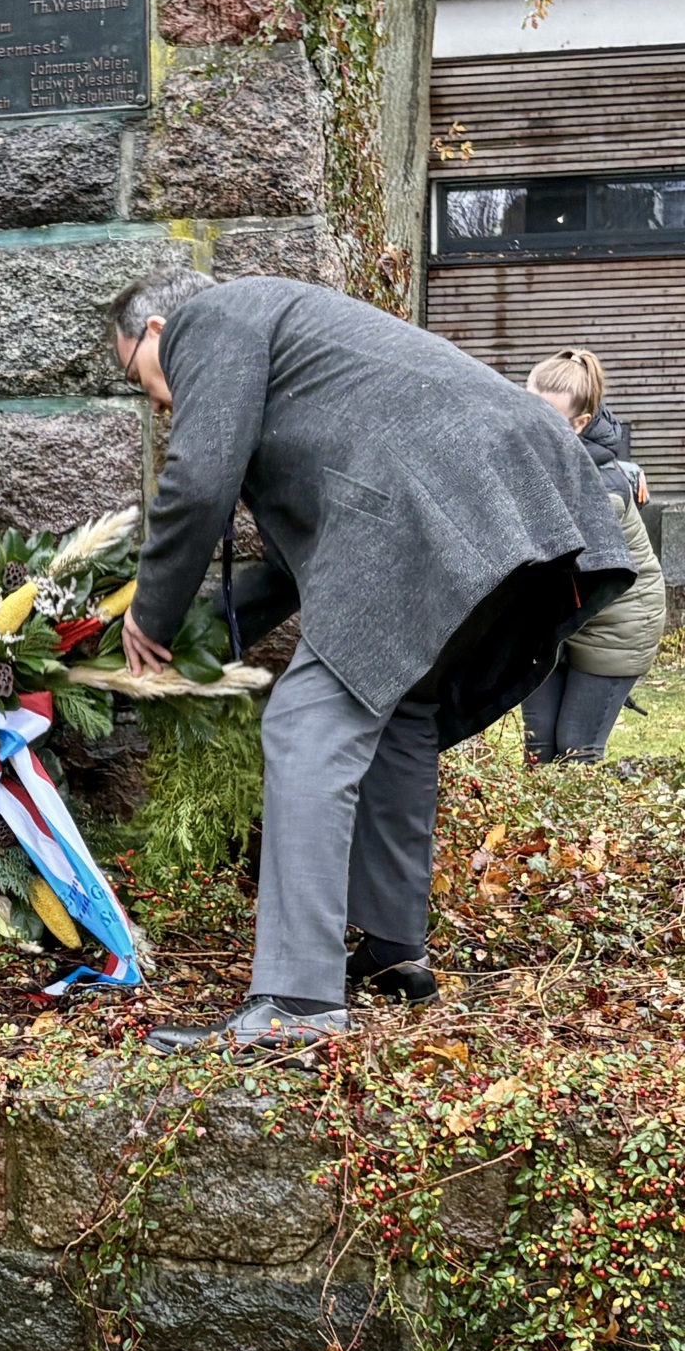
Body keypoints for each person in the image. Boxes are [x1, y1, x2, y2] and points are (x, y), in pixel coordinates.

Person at [108, 269, 634, 1055]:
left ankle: (295, 1002)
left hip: (434, 497)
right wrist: (201, 636)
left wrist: (147, 616)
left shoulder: (209, 318)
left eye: (137, 377)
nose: (155, 402)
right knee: (402, 709)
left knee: (306, 725)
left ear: (155, 331)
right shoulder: (296, 347)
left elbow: (198, 482)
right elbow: (286, 570)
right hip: (513, 488)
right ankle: (394, 952)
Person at [520, 349, 665, 764]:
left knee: (575, 751)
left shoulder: (600, 490)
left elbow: (543, 557)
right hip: (559, 616)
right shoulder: (542, 455)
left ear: (580, 423)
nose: (532, 424)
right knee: (538, 747)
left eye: (548, 418)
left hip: (618, 624)